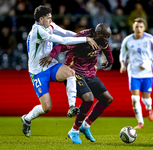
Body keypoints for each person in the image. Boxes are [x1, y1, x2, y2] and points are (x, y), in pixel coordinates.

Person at [21, 5, 98, 138]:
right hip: (38, 71)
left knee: (70, 72)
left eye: (51, 18)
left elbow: (65, 33)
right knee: (47, 107)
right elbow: (62, 40)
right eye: (48, 18)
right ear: (40, 19)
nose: (51, 20)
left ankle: (72, 106)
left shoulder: (49, 26)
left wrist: (85, 39)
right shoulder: (38, 31)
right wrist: (85, 39)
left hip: (50, 65)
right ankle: (27, 119)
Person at [39, 23, 114, 144]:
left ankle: (86, 126)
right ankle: (74, 131)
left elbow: (107, 48)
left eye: (108, 37)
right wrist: (51, 55)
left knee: (107, 99)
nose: (107, 40)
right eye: (105, 37)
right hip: (74, 72)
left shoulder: (103, 40)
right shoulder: (82, 38)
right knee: (88, 98)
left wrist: (110, 61)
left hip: (90, 73)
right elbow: (63, 46)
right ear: (97, 34)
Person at [119, 18, 153, 129]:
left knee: (146, 99)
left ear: (144, 28)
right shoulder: (127, 40)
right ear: (133, 27)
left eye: (140, 26)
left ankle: (149, 108)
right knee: (135, 98)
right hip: (133, 73)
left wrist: (149, 62)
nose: (138, 28)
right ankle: (140, 122)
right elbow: (122, 54)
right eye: (136, 26)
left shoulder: (150, 39)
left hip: (147, 72)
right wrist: (122, 65)